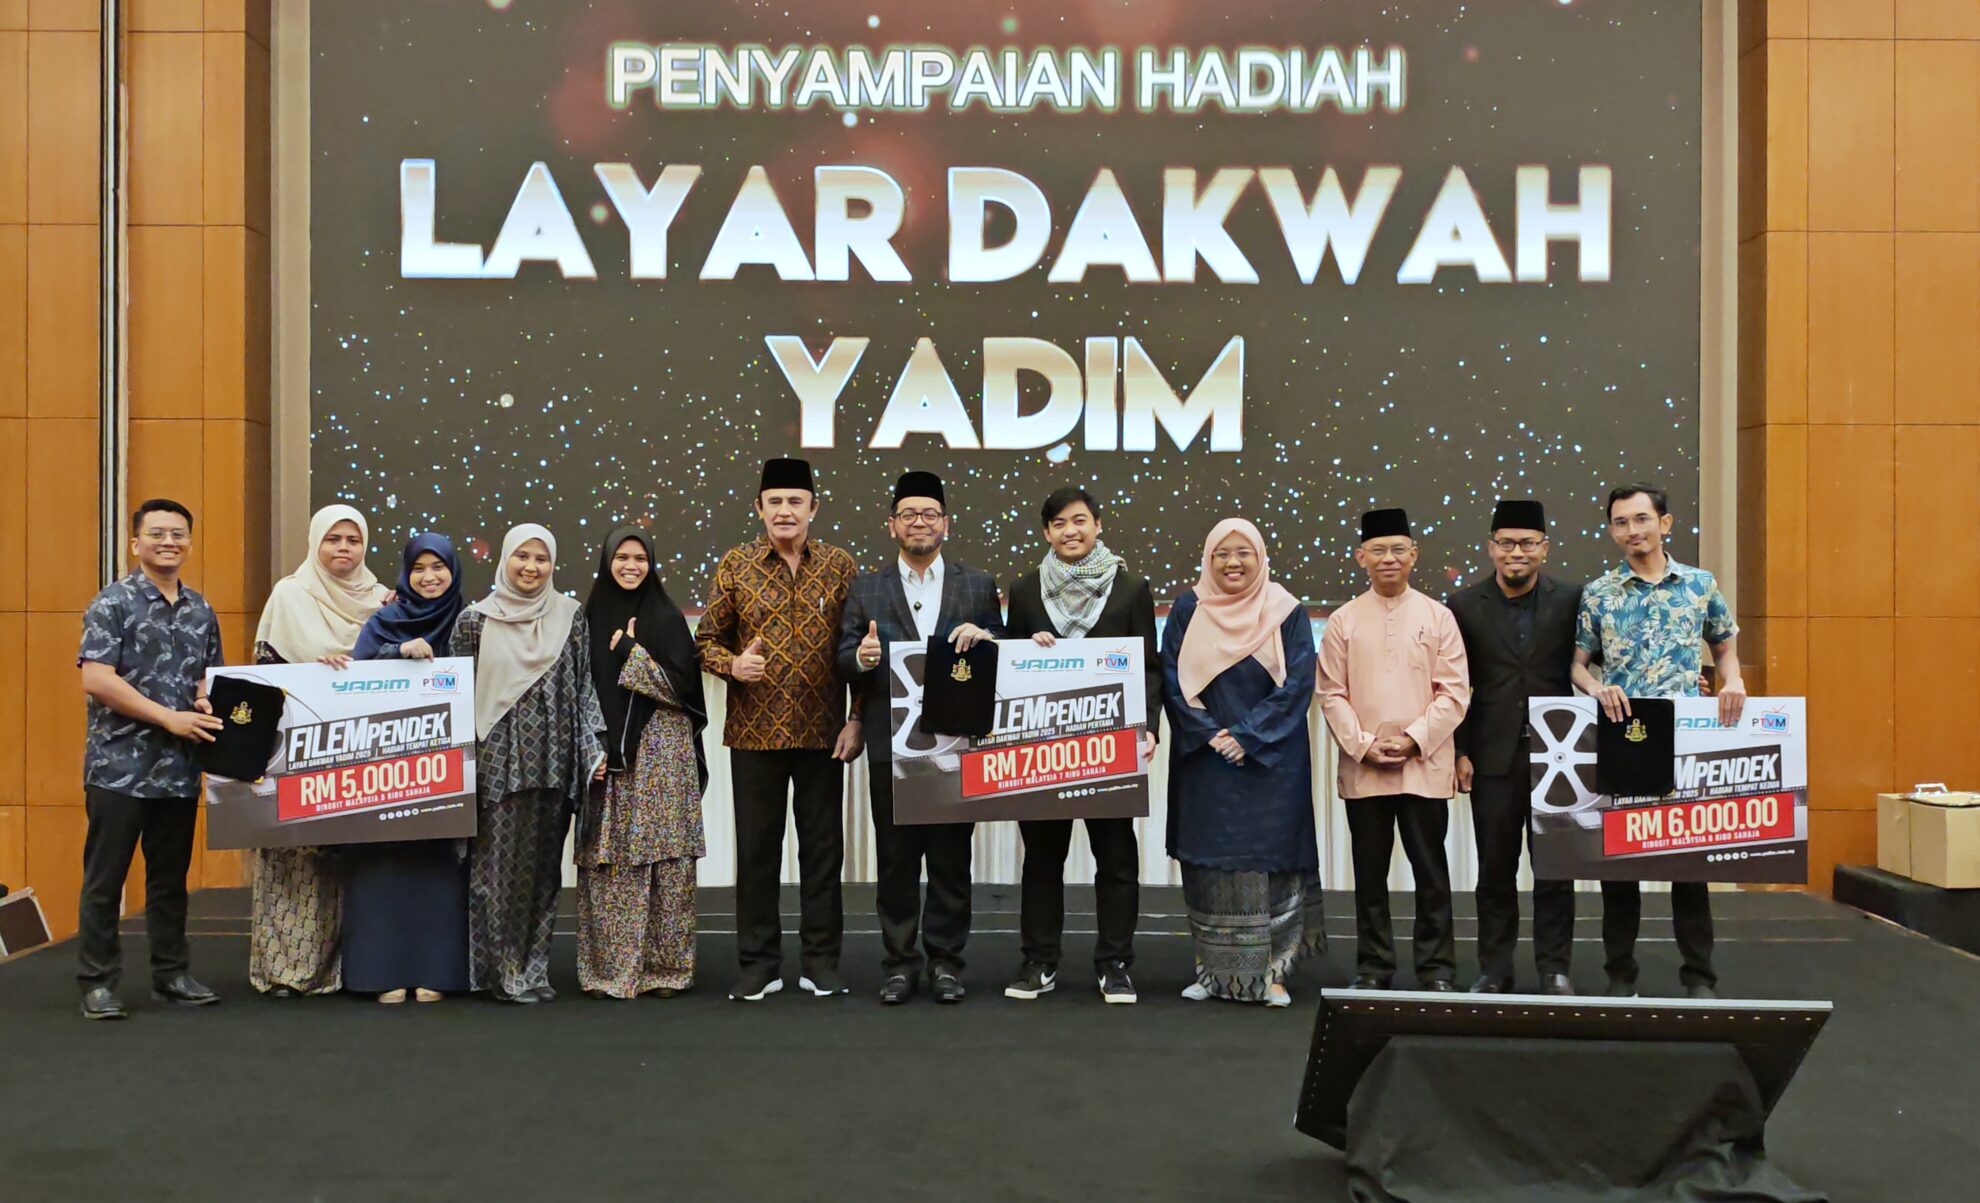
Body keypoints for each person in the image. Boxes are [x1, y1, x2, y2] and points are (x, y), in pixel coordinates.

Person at [696, 457, 861, 1002]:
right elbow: (705, 641)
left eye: (795, 501)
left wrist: (857, 716)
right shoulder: (736, 564)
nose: (785, 511)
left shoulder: (839, 565)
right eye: (775, 502)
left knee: (823, 853)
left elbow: (858, 648)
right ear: (759, 508)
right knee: (757, 853)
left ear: (814, 507)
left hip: (823, 734)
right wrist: (733, 665)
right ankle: (759, 965)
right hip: (754, 735)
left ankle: (821, 962)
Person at [1573, 484, 1745, 1000]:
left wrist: (1733, 681)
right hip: (1624, 734)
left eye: (1642, 519)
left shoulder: (1699, 584)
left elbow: (1724, 645)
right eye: (1621, 522)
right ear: (1611, 531)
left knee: (1688, 866)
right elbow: (1578, 665)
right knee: (1619, 867)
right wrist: (1596, 688)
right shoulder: (1600, 593)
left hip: (1685, 737)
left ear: (1665, 524)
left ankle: (1699, 977)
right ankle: (1620, 976)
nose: (1633, 530)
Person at [838, 471, 1003, 1005]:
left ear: (946, 523)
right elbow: (842, 657)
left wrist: (987, 637)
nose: (919, 522)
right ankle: (899, 964)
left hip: (956, 745)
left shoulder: (977, 584)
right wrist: (861, 658)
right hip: (891, 745)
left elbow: (1005, 648)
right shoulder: (866, 587)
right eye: (908, 514)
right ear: (892, 525)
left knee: (952, 860)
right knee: (896, 860)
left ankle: (947, 963)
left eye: (929, 514)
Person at [1002, 486, 1160, 1005]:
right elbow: (1008, 664)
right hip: (1043, 749)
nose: (1070, 531)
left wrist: (1148, 727)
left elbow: (1149, 667)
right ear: (1046, 532)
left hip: (1110, 748)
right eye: (1059, 524)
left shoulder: (1130, 587)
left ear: (1097, 524)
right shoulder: (1026, 590)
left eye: (1079, 521)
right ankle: (1039, 961)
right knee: (1042, 859)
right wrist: (1026, 650)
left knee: (1116, 858)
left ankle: (1115, 964)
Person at [74, 499, 226, 1020]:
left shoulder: (201, 609)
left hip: (178, 769)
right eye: (157, 533)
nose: (169, 542)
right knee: (105, 880)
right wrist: (168, 718)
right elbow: (97, 679)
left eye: (178, 534)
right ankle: (98, 982)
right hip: (118, 767)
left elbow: (208, 678)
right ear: (135, 542)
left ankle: (171, 974)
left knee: (169, 880)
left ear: (189, 543)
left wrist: (204, 703)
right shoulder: (112, 603)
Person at [1160, 518, 1322, 1007]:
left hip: (1272, 763)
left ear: (1261, 557)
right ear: (1208, 559)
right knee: (1209, 871)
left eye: (1243, 552)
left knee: (1274, 868)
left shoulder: (1286, 610)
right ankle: (1214, 973)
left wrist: (1247, 737)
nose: (1232, 563)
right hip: (1205, 761)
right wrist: (1211, 734)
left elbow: (1298, 682)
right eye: (1222, 554)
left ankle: (1274, 974)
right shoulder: (1188, 608)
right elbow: (1171, 677)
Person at [451, 524, 607, 1003]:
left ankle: (533, 970)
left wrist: (591, 751)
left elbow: (583, 687)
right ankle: (500, 975)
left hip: (554, 760)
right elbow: (456, 699)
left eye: (542, 558)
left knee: (542, 874)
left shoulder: (570, 616)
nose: (531, 567)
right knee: (495, 873)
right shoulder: (474, 621)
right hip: (497, 761)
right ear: (505, 559)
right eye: (522, 556)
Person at [1317, 507, 1470, 992]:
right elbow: (1330, 693)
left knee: (1432, 873)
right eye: (1378, 550)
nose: (1389, 558)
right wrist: (1363, 745)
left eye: (1398, 549)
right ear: (1360, 557)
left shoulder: (1438, 617)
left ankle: (1437, 968)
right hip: (1365, 769)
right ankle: (1374, 966)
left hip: (1423, 765)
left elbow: (1454, 693)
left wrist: (1413, 739)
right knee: (1370, 875)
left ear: (1414, 555)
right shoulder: (1343, 620)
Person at [249, 503, 387, 996]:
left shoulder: (383, 601)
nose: (343, 548)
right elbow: (263, 675)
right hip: (297, 755)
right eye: (333, 539)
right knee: (293, 863)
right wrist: (312, 670)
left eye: (353, 540)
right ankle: (286, 972)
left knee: (347, 863)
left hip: (360, 756)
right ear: (315, 543)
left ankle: (347, 969)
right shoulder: (290, 595)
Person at [1447, 500, 1580, 995]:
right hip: (1492, 757)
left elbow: (1602, 660)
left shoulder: (1572, 600)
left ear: (1545, 548)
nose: (1516, 552)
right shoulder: (1463, 605)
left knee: (1555, 871)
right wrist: (1460, 751)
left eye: (1526, 543)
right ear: (1491, 548)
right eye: (1506, 543)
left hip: (1560, 756)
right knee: (1494, 870)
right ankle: (1494, 969)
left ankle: (1554, 969)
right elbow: (1455, 685)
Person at [577, 526, 709, 1000]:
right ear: (606, 561)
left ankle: (665, 969)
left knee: (667, 860)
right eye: (622, 557)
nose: (631, 566)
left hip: (663, 752)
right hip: (607, 754)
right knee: (610, 860)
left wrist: (633, 655)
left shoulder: (667, 616)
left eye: (639, 558)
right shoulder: (588, 618)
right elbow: (578, 687)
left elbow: (684, 691)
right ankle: (609, 971)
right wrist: (589, 748)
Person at [343, 533, 470, 1004]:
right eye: (419, 568)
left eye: (439, 567)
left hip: (445, 774)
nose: (429, 577)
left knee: (437, 869)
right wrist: (397, 653)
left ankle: (437, 971)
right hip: (385, 774)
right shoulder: (384, 621)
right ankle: (381, 972)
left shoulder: (468, 620)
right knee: (382, 870)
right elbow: (355, 677)